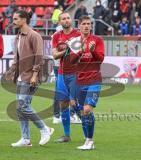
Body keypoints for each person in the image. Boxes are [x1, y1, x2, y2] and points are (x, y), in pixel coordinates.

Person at [6, 10, 54, 147]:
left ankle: (44, 129)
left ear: (24, 20)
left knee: (22, 105)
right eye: (13, 18)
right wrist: (11, 71)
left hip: (31, 76)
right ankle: (25, 139)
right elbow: (17, 57)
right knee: (20, 108)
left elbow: (39, 57)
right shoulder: (18, 37)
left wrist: (34, 74)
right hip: (21, 76)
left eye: (16, 19)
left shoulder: (34, 35)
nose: (13, 21)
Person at [70, 15, 104, 150]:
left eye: (88, 24)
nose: (86, 26)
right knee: (81, 110)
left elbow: (100, 59)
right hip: (79, 81)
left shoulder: (97, 41)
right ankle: (87, 139)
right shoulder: (74, 42)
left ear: (91, 26)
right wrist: (80, 52)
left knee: (87, 109)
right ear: (79, 26)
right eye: (83, 24)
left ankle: (90, 141)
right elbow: (71, 62)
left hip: (94, 79)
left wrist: (92, 50)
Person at [52, 12, 81, 143]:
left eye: (68, 18)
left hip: (76, 73)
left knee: (75, 104)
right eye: (63, 19)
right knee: (63, 103)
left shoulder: (78, 35)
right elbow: (55, 55)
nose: (66, 20)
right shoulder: (56, 36)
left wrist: (73, 50)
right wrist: (66, 50)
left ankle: (88, 134)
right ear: (59, 22)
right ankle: (66, 135)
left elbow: (82, 52)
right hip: (62, 73)